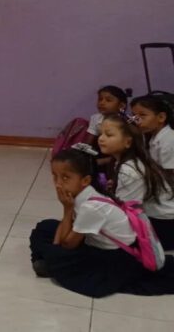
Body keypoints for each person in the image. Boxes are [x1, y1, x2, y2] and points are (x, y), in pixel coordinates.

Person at [29, 148, 174, 297]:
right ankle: (51, 261)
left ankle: (50, 263)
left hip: (114, 256)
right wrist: (57, 246)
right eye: (55, 177)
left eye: (65, 178)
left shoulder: (91, 207)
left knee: (61, 255)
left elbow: (67, 244)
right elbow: (65, 236)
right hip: (91, 240)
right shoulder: (83, 193)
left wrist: (67, 210)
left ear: (85, 180)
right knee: (45, 227)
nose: (58, 184)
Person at [97, 113, 174, 249]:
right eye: (101, 134)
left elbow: (126, 211)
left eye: (108, 135)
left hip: (164, 225)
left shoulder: (130, 170)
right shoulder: (125, 160)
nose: (101, 139)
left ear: (128, 142)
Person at [131, 95, 174, 169]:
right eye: (134, 116)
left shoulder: (169, 140)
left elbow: (170, 175)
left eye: (142, 115)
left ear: (161, 117)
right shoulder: (152, 137)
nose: (137, 121)